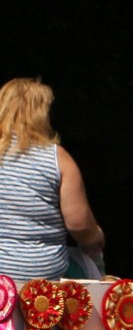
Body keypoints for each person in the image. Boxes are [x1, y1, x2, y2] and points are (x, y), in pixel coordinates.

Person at [0, 78, 104, 282]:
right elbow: (79, 225)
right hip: (42, 279)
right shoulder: (57, 158)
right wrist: (96, 235)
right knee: (88, 258)